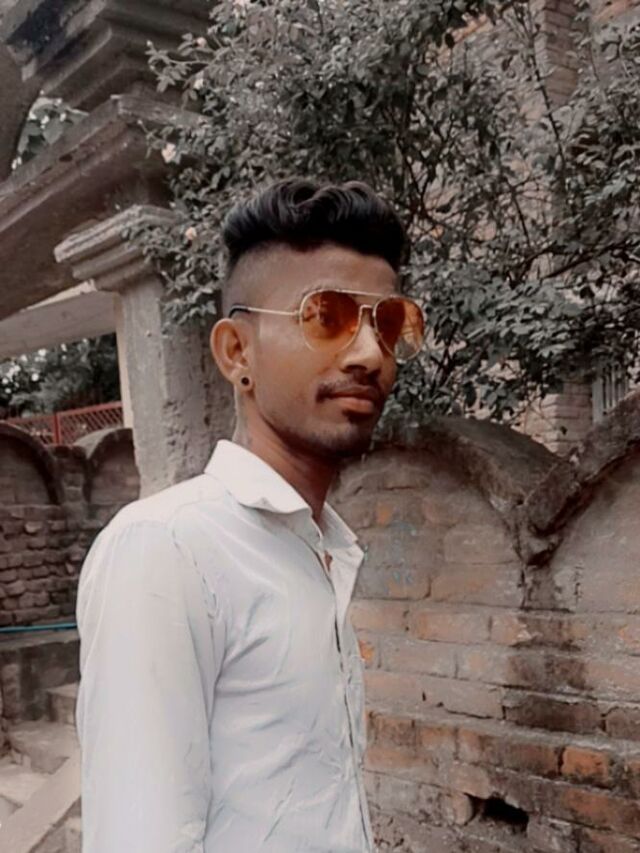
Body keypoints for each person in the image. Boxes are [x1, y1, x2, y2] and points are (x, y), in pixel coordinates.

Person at [75, 178, 425, 852]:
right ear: (238, 352)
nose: (369, 354)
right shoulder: (168, 549)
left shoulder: (320, 547)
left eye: (387, 324)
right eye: (326, 316)